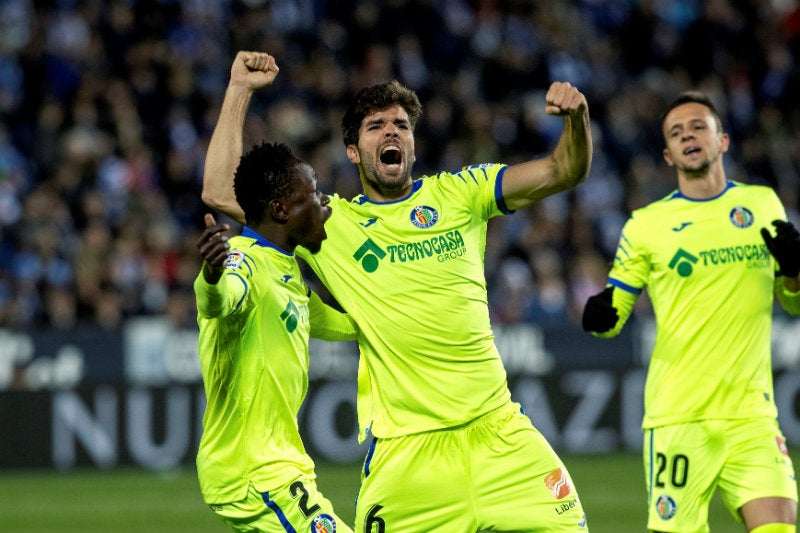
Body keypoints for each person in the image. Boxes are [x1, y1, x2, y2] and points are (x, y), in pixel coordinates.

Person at [203, 50, 593, 532]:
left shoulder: (462, 193)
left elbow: (563, 170)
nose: (392, 131)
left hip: (503, 440)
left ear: (412, 144)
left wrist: (577, 120)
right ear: (353, 151)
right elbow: (222, 190)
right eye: (375, 126)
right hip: (408, 459)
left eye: (402, 125)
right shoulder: (327, 223)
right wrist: (240, 90)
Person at [582, 91, 800, 533]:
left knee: (779, 526)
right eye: (676, 133)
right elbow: (614, 312)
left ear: (723, 140)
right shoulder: (646, 226)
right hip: (678, 416)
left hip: (751, 415)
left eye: (699, 126)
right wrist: (601, 315)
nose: (688, 136)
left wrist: (795, 273)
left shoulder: (762, 205)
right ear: (667, 155)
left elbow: (792, 301)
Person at [194, 140, 358, 533]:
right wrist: (211, 277)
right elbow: (219, 301)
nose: (325, 206)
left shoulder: (286, 271)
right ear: (281, 209)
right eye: (314, 195)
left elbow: (348, 324)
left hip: (279, 466)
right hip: (255, 472)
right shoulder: (244, 260)